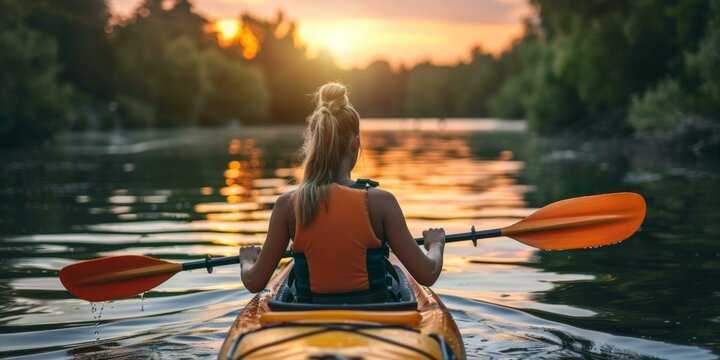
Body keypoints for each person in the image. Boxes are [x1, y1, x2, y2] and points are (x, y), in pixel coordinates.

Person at [238, 82, 446, 301]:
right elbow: (428, 272)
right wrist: (435, 244)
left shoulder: (287, 205)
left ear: (314, 142)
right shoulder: (381, 202)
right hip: (375, 317)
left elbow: (254, 282)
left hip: (306, 318)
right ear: (355, 143)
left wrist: (247, 261)